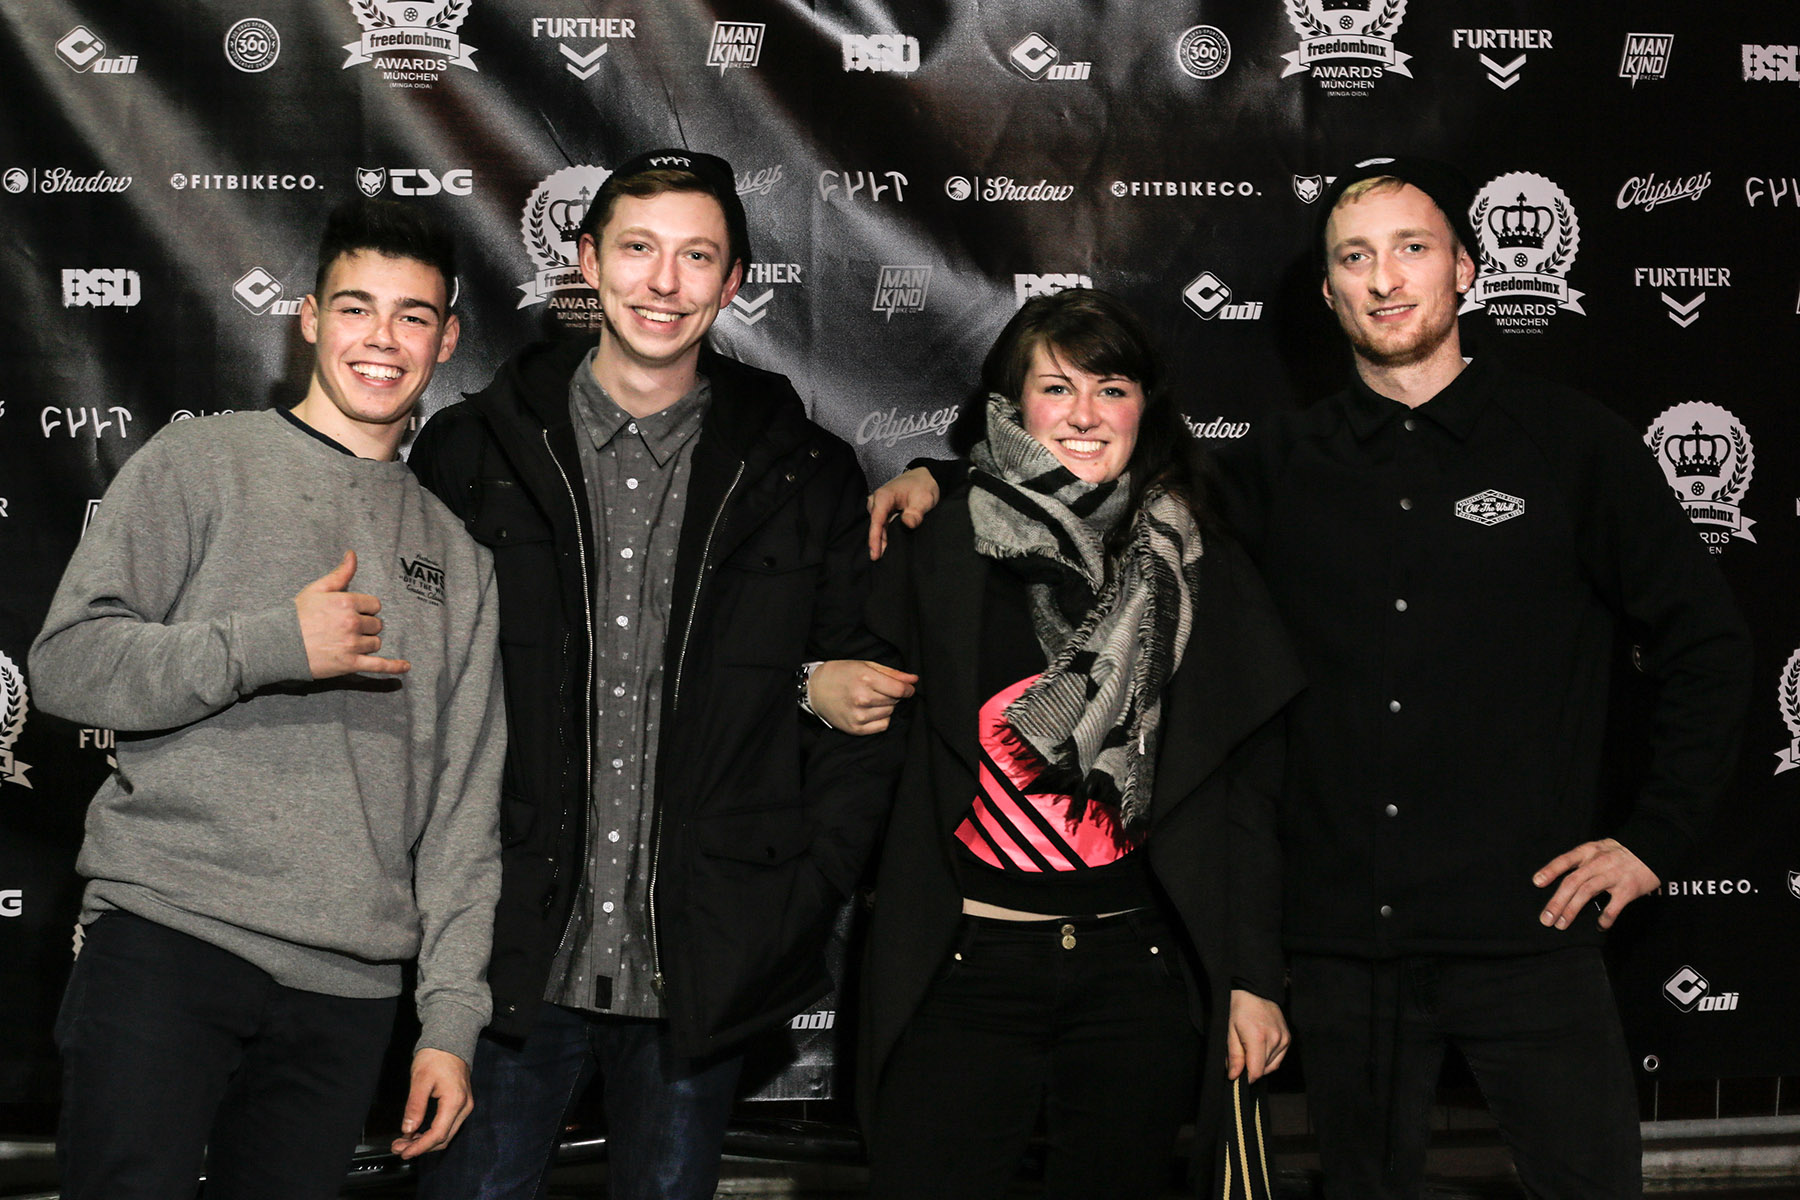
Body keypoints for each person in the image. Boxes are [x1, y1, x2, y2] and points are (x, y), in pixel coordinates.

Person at [862, 159, 1754, 1199]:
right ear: (1328, 295)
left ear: (1465, 268)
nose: (1385, 280)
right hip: (1339, 952)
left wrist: (1652, 840)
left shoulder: (1571, 444)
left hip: (1528, 937)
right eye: (1354, 259)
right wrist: (947, 475)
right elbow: (1100, 485)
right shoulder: (1274, 469)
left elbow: (1708, 645)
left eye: (1411, 249)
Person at [406, 148, 904, 1200]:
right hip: (508, 961)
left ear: (733, 284)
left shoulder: (803, 471)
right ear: (586, 262)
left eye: (697, 259)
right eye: (637, 250)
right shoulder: (466, 453)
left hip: (699, 971)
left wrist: (793, 899)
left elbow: (865, 705)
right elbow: (415, 694)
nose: (663, 284)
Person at [30, 198, 504, 1200]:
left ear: (448, 337)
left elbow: (464, 815)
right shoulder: (201, 462)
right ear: (310, 317)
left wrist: (451, 1025)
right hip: (170, 941)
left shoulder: (458, 560)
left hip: (346, 993)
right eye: (357, 308)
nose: (382, 339)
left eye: (412, 316)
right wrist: (270, 644)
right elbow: (69, 666)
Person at [856, 288, 1302, 1200]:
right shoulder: (937, 540)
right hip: (962, 967)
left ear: (1148, 406)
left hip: (1133, 975)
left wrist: (1252, 977)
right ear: (1012, 408)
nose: (1087, 415)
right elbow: (852, 731)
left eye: (1114, 387)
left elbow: (1244, 792)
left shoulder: (1193, 557)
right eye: (1057, 389)